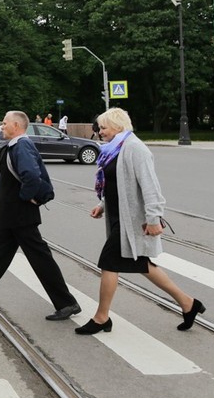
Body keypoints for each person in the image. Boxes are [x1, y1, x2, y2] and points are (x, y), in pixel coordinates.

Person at [75, 108, 205, 335]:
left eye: (104, 127)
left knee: (109, 263)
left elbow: (150, 186)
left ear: (118, 126)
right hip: (117, 217)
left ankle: (101, 317)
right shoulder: (115, 149)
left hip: (131, 221)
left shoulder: (135, 148)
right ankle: (188, 304)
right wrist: (103, 205)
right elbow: (116, 184)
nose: (100, 132)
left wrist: (154, 218)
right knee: (142, 264)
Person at [0, 110, 81, 321]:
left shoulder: (22, 146)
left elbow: (32, 177)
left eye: (5, 123)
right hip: (11, 216)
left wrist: (25, 198)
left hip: (20, 215)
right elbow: (5, 178)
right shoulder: (14, 146)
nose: (2, 127)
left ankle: (67, 303)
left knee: (40, 259)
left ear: (16, 125)